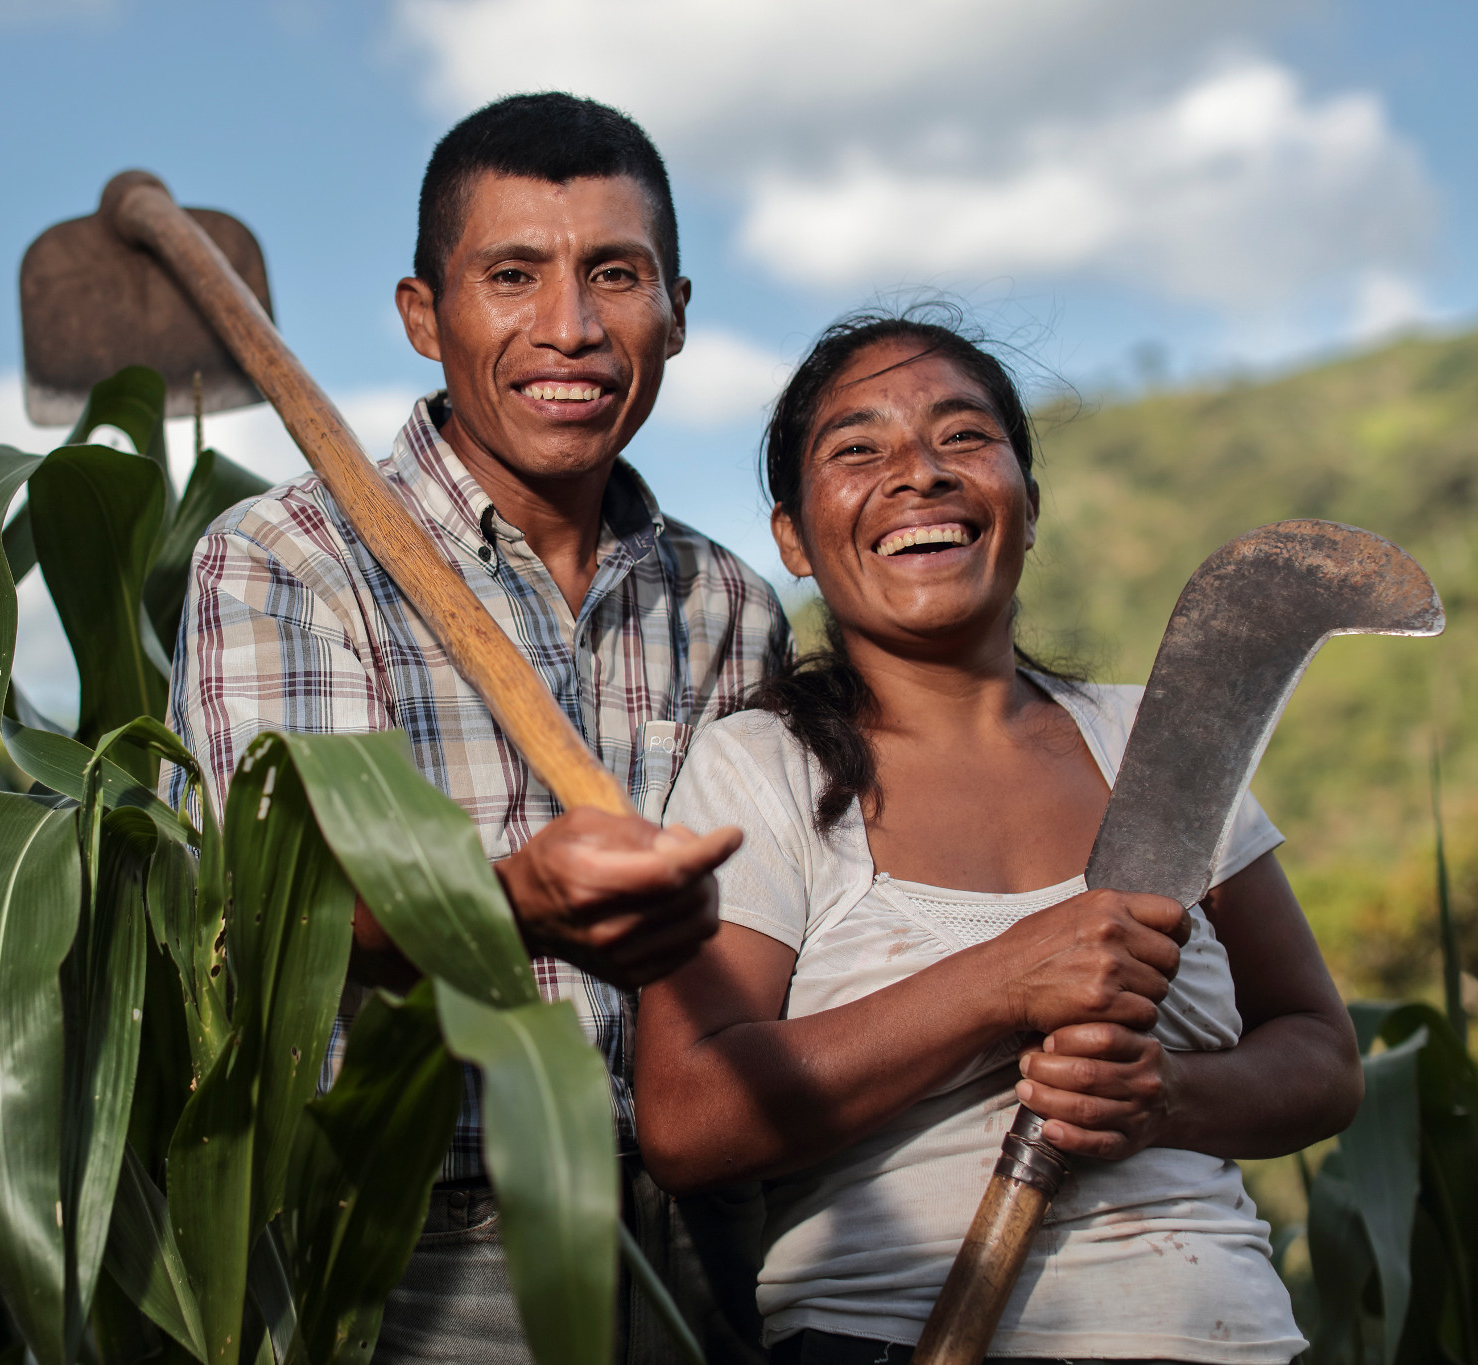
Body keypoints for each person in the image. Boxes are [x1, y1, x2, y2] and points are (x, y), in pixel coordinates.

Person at [165, 93, 786, 1362]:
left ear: (674, 310)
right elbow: (268, 924)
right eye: (512, 275)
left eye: (614, 275)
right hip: (430, 1244)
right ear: (420, 314)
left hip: (721, 1231)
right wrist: (502, 908)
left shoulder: (731, 606)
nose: (569, 328)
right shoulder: (286, 563)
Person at [634, 311, 1363, 1365]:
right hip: (884, 1337)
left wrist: (1164, 1100)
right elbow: (689, 1120)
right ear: (791, 535)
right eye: (856, 449)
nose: (918, 474)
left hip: (1230, 1337)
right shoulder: (758, 768)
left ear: (1026, 499)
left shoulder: (1157, 739)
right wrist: (1000, 983)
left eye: (963, 437)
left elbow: (1321, 1058)